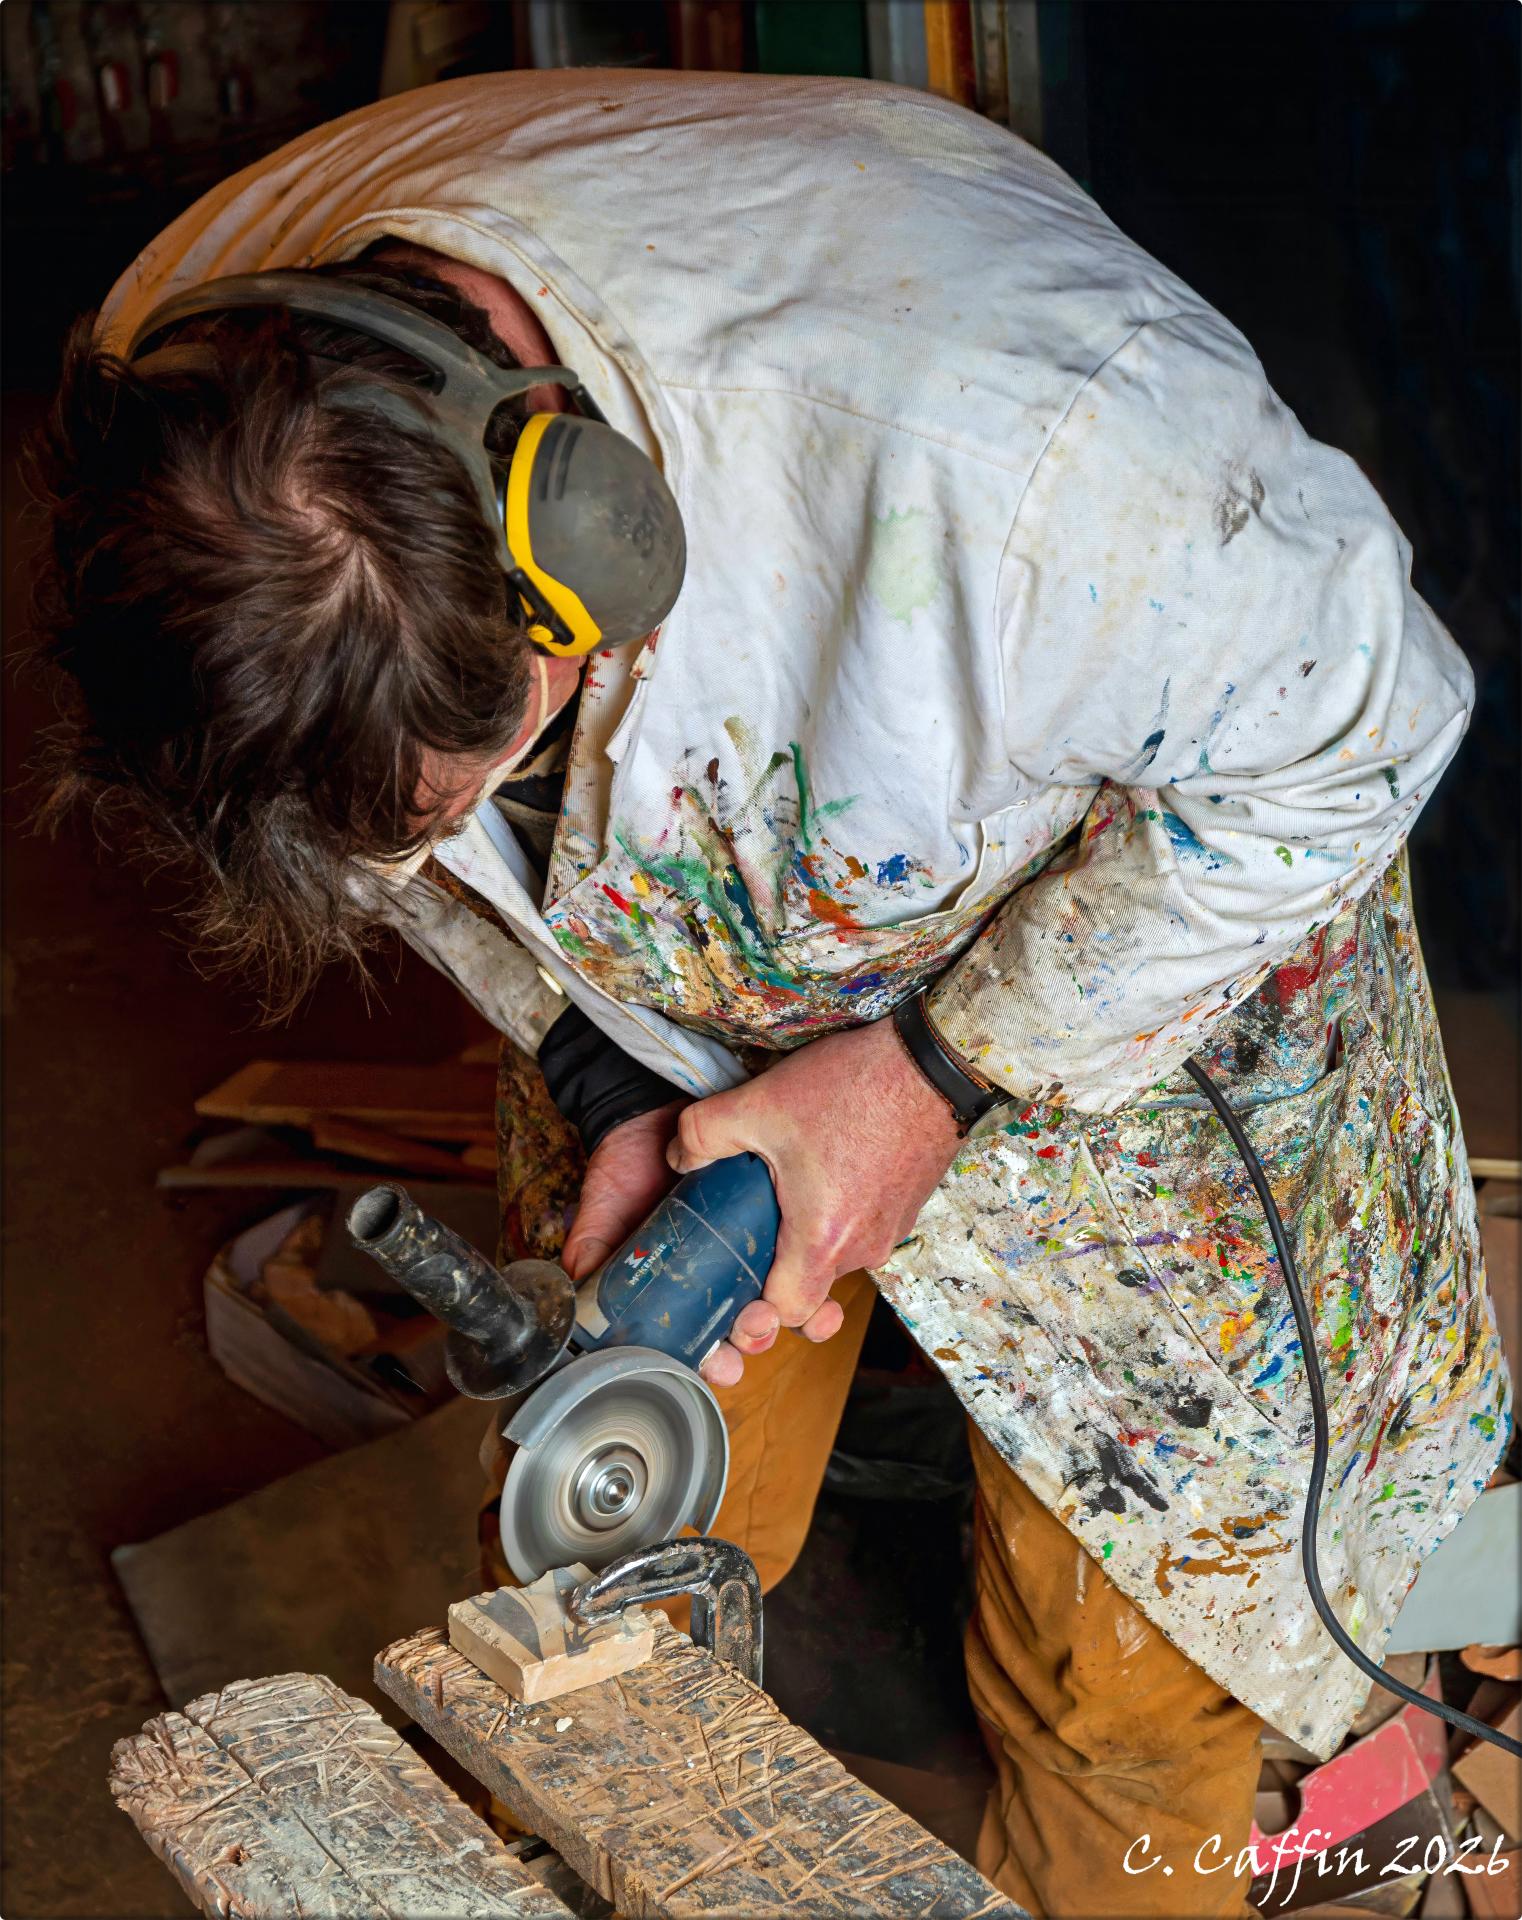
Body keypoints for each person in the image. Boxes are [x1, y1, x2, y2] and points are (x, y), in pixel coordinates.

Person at [32, 70, 1510, 1919]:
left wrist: (930, 1074)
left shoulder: (1046, 452)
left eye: (486, 771)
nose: (451, 842)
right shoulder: (182, 393)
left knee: (1122, 1672)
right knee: (609, 1555)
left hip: (1126, 979)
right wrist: (592, 1064)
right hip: (692, 988)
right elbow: (410, 848)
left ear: (589, 553)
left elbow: (1373, 725)